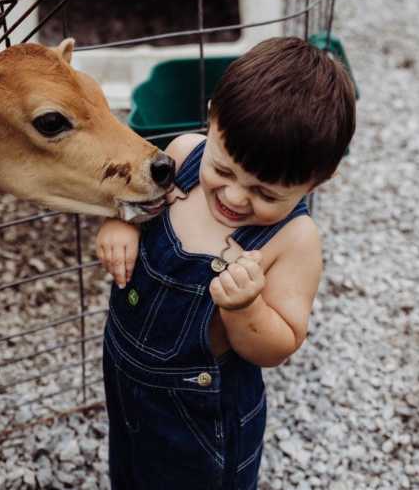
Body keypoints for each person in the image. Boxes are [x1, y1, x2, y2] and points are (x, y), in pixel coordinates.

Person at [96, 36, 356, 489]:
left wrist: (246, 309)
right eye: (226, 170)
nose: (236, 196)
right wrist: (122, 222)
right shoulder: (181, 154)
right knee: (131, 470)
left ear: (319, 180)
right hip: (123, 377)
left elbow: (280, 345)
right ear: (213, 117)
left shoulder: (293, 240)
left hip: (200, 415)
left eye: (266, 193)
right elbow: (137, 204)